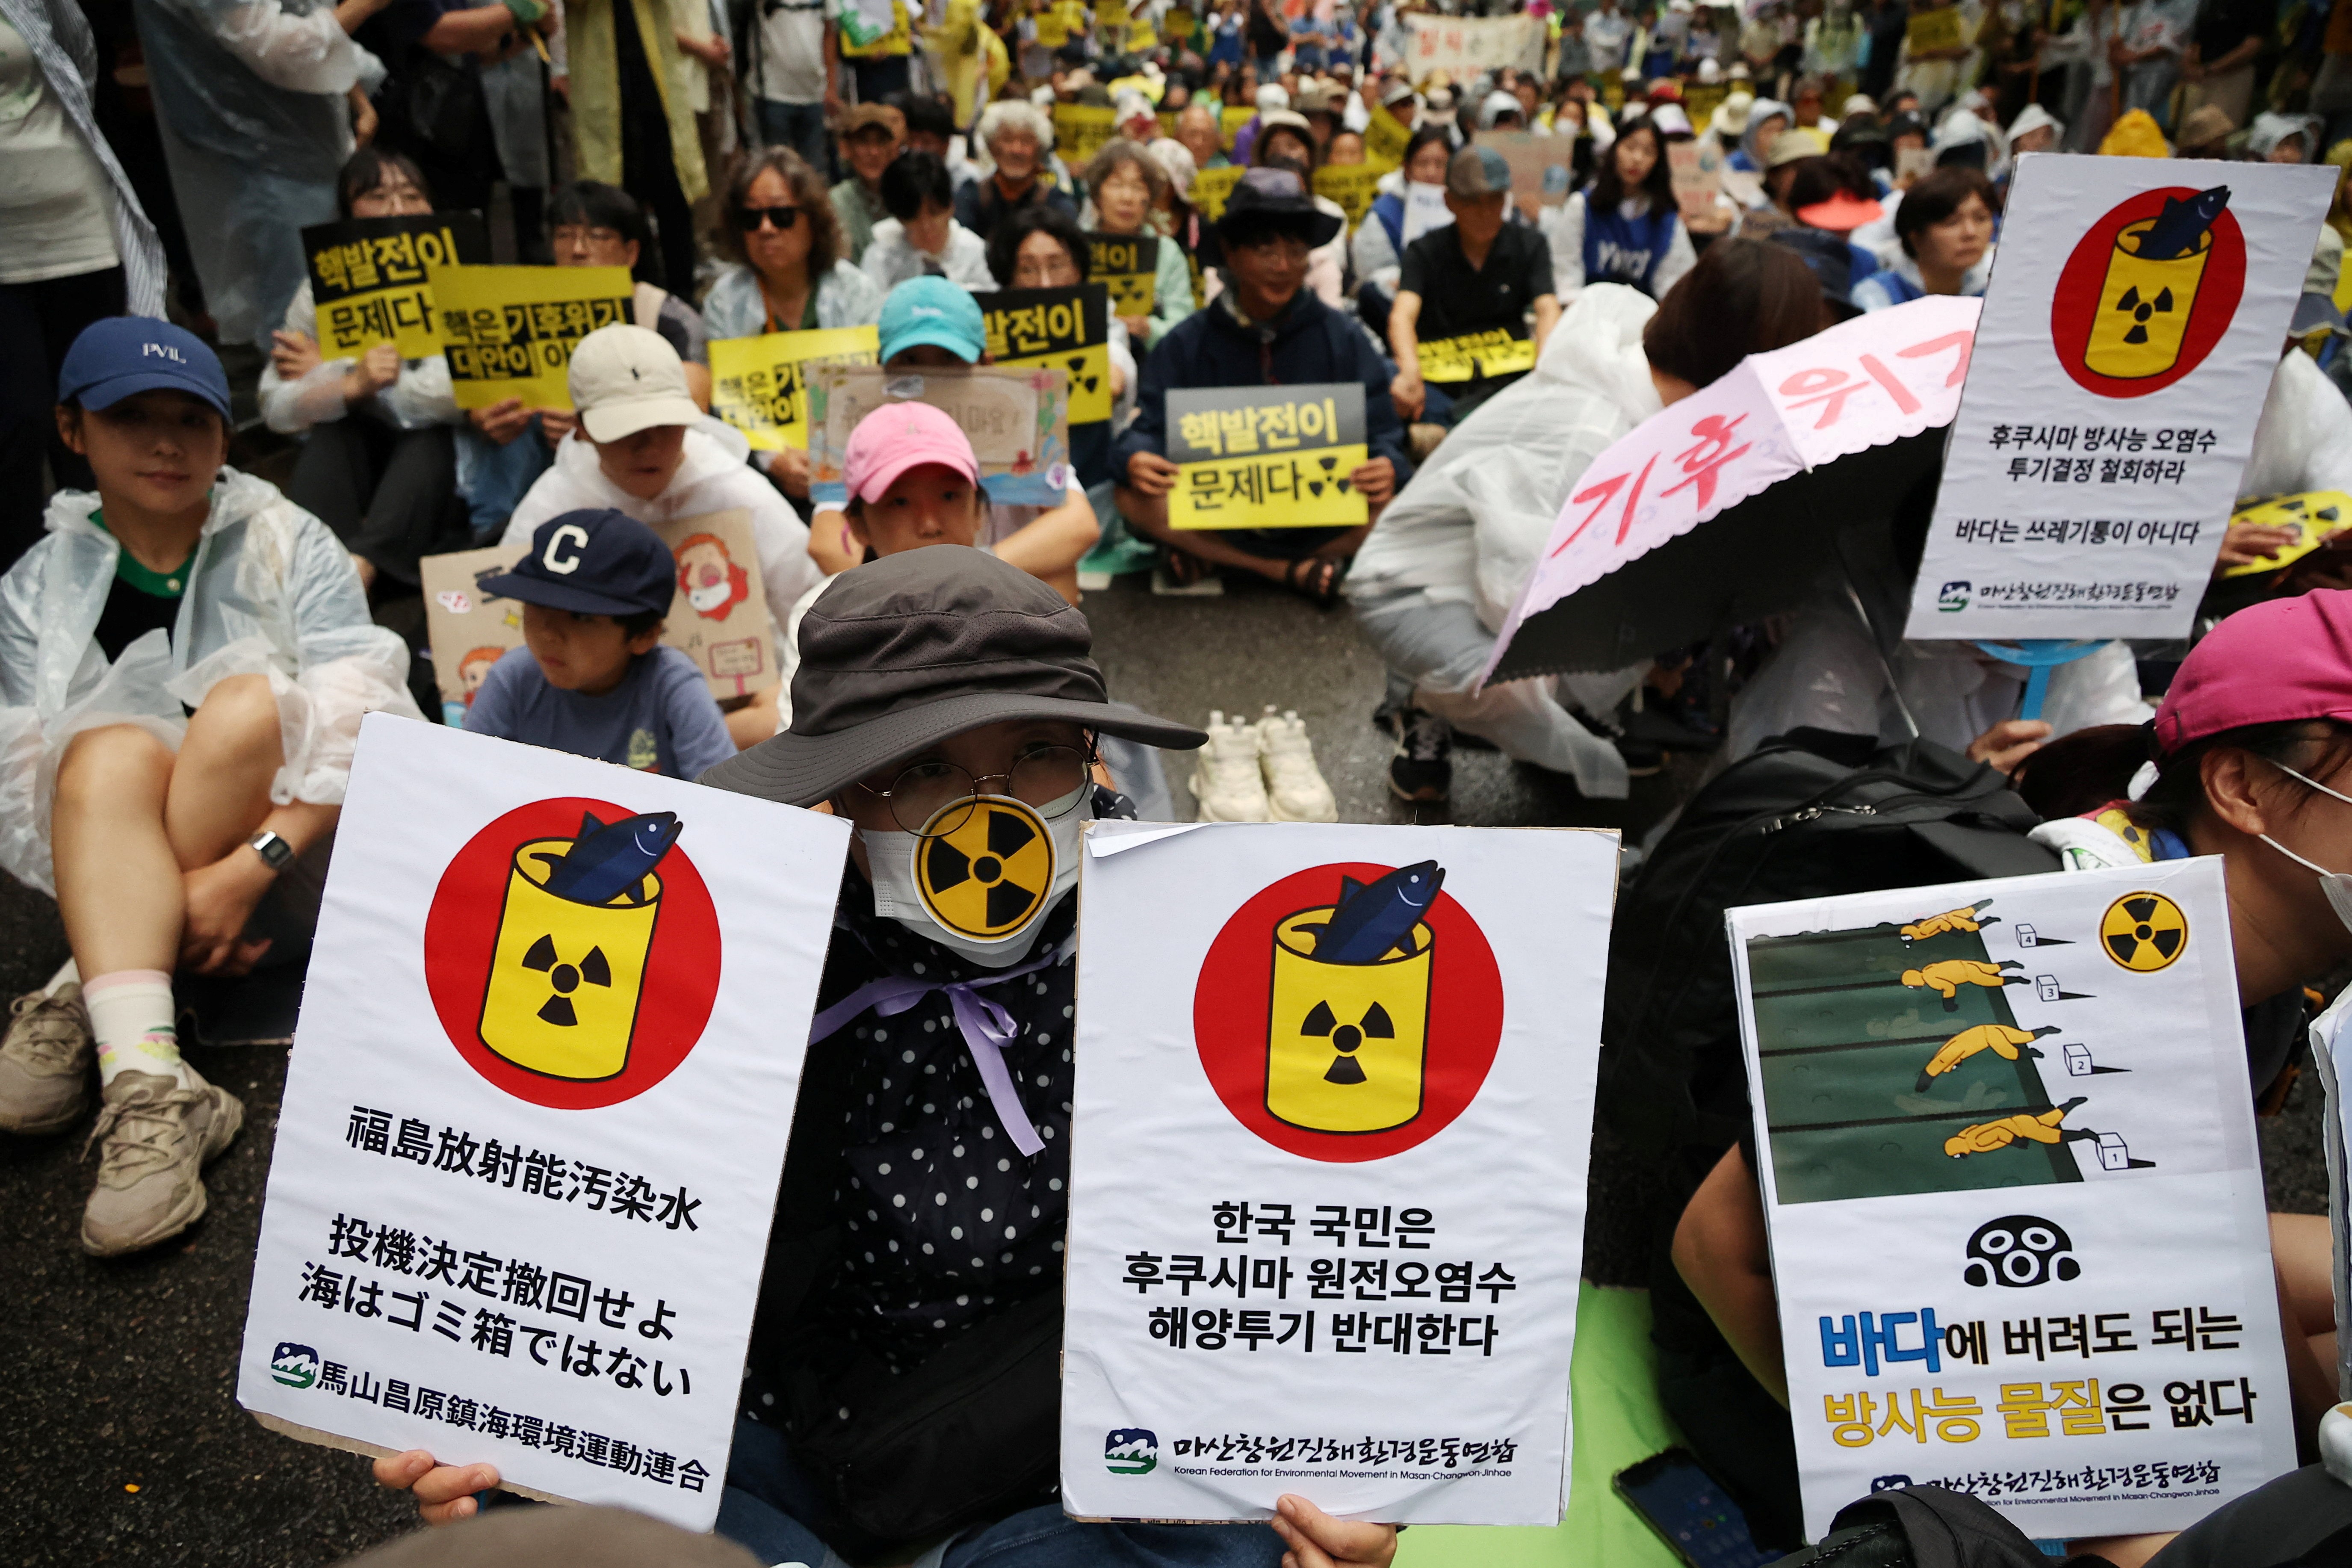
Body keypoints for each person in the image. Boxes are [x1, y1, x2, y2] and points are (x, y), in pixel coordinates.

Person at [369, 546, 1401, 1568]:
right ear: (838, 796)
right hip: (789, 1424)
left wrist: (1355, 1482)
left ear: (1094, 762)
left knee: (1245, 1528)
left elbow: (1328, 1249)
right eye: (920, 769)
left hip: (1078, 1439)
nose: (987, 814)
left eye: (1038, 750)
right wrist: (476, 1381)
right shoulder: (729, 950)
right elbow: (570, 1212)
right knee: (523, 1459)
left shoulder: (1202, 948)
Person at [1676, 592, 2352, 1562]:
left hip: (2062, 1314)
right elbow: (1716, 1248)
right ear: (2241, 786)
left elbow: (2211, 1242)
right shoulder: (2034, 934)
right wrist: (1960, 1497)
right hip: (1834, 1379)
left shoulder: (2264, 980)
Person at [0, 318, 419, 1256]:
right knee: (101, 752)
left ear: (225, 439)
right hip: (135, 880)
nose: (163, 443)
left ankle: (96, 982)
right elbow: (28, 799)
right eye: (130, 416)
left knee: (242, 707)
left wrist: (245, 868)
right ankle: (154, 1084)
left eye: (191, 420)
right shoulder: (39, 583)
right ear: (73, 431)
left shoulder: (285, 539)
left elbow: (373, 724)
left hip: (288, 875)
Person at [1347, 241, 1828, 805]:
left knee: (1614, 636)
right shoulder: (1597, 431)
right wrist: (1651, 640)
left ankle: (1581, 704)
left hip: (1489, 568)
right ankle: (1418, 699)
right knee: (1515, 682)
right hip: (1408, 586)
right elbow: (1519, 592)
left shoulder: (1657, 390)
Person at [504, 325, 822, 747]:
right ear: (582, 428)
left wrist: (780, 709)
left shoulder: (738, 493)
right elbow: (508, 630)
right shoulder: (553, 508)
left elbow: (814, 609)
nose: (648, 445)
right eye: (625, 429)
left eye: (666, 424)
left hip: (746, 723)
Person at [1114, 168, 1411, 603]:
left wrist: (1386, 463)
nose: (1283, 267)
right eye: (1264, 249)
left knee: (1394, 504)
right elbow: (1146, 429)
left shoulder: (1342, 336)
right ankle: (1283, 570)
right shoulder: (1186, 342)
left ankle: (1223, 559)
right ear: (1231, 256)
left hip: (1318, 519)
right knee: (1131, 496)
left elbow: (1384, 431)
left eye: (1296, 251)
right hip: (1221, 513)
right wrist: (1136, 457)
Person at [262, 150, 480, 595]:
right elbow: (276, 406)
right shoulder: (320, 289)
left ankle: (359, 571)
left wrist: (341, 372)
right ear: (349, 213)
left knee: (429, 436)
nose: (398, 210)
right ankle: (306, 570)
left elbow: (459, 393)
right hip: (359, 449)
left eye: (411, 195)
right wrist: (349, 385)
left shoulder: (464, 272)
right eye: (379, 196)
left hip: (441, 460)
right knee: (334, 433)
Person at [0, 0, 168, 573]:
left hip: (75, 221)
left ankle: (118, 583)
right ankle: (22, 603)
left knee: (99, 412)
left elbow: (78, 55)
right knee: (19, 425)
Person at [804, 279, 1100, 603]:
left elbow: (1078, 525)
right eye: (910, 360)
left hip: (1007, 615)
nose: (931, 376)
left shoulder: (1024, 427)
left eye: (949, 359)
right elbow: (829, 544)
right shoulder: (862, 436)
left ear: (985, 363)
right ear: (882, 368)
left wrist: (968, 574)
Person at [129, 0, 372, 354]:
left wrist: (358, 98)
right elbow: (279, 50)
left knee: (343, 305)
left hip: (313, 147)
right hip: (269, 161)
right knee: (297, 322)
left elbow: (308, 22)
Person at [462, 509, 735, 777]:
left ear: (645, 636)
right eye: (537, 603)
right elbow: (462, 784)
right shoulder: (512, 679)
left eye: (581, 617)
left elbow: (727, 806)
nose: (549, 633)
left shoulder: (672, 685)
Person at [1389, 146, 1561, 429]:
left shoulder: (1530, 245)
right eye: (1472, 202)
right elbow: (1402, 314)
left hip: (1511, 382)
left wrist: (1545, 368)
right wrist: (1409, 371)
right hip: (1441, 386)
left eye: (1494, 200)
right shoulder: (1423, 252)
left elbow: (1547, 307)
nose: (1485, 213)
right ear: (1449, 201)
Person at [984, 204, 1141, 491]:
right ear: (1008, 276)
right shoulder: (987, 326)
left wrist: (1111, 376)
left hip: (1090, 474)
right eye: (1028, 269)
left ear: (1078, 269)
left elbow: (1116, 370)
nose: (1045, 284)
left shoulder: (1099, 313)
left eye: (1056, 266)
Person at [564, 0, 708, 295]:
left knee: (675, 202)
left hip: (656, 90)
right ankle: (635, 303)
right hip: (604, 97)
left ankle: (682, 304)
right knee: (620, 210)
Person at [1544, 115, 1696, 300]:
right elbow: (1565, 271)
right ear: (1615, 150)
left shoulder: (1667, 221)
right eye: (1630, 148)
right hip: (1585, 310)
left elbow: (1674, 287)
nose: (1637, 158)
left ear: (1658, 162)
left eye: (1649, 152)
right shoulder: (1582, 206)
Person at [1084, 139, 1200, 349]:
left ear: (1150, 198)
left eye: (1137, 187)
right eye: (1116, 185)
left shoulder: (1166, 252)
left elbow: (1184, 324)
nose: (1127, 198)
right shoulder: (1075, 248)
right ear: (1097, 195)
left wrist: (1150, 329)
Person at [1850, 162, 1994, 309]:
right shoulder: (1877, 296)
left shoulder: (1996, 289)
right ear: (1915, 237)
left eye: (1981, 218)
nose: (1970, 233)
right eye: (1952, 223)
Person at [860, 150, 997, 292]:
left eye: (935, 213)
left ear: (951, 206)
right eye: (914, 218)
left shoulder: (974, 251)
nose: (926, 227)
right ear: (899, 218)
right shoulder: (881, 256)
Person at [1350, 125, 1451, 301]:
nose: (1431, 173)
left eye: (1440, 164)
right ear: (1407, 168)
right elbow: (1369, 275)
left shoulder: (1468, 206)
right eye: (1422, 163)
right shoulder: (1384, 213)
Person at [957, 98, 1077, 245]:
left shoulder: (1056, 201)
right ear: (992, 148)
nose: (1017, 150)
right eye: (1007, 140)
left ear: (1039, 151)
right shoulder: (971, 194)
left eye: (1026, 141)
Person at [742, 0, 839, 174]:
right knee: (775, 169)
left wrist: (831, 87)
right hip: (772, 95)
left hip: (814, 95)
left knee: (814, 171)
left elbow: (830, 33)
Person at [828, 102, 904, 263]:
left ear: (893, 149)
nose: (873, 152)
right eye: (863, 142)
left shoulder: (907, 195)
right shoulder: (837, 202)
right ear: (846, 148)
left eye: (881, 142)